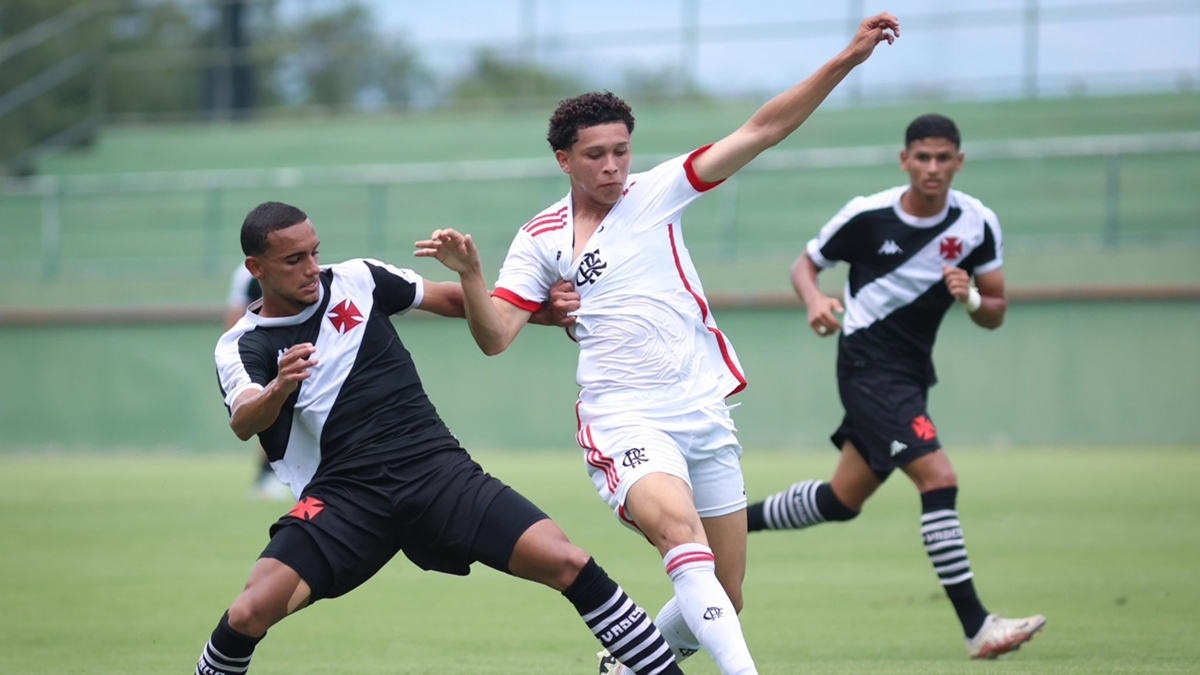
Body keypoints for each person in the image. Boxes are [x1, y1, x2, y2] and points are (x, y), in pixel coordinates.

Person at [414, 14, 900, 675]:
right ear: (563, 159)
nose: (613, 165)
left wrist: (847, 58)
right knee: (679, 534)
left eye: (621, 150)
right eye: (595, 155)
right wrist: (472, 275)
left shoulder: (658, 191)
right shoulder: (540, 238)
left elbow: (764, 129)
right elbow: (496, 335)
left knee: (726, 594)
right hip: (623, 414)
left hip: (700, 406)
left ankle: (625, 664)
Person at [197, 201, 688, 675]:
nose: (311, 267)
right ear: (256, 268)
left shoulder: (359, 279)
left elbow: (457, 302)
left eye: (315, 252)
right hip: (345, 497)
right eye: (293, 259)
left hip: (436, 471)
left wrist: (520, 298)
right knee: (247, 614)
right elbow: (244, 421)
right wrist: (281, 386)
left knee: (568, 561)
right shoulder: (242, 344)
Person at [744, 114, 1046, 659]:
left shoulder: (977, 225)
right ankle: (979, 626)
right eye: (923, 158)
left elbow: (997, 310)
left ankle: (722, 522)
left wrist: (971, 298)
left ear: (959, 161)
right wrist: (815, 300)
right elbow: (804, 266)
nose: (933, 168)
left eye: (944, 158)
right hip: (866, 369)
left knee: (841, 500)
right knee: (939, 478)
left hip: (910, 375)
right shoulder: (867, 215)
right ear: (905, 160)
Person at [224, 264, 291, 501]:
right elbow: (235, 316)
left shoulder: (303, 270)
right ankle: (266, 477)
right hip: (265, 355)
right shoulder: (246, 275)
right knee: (271, 412)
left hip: (295, 347)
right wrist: (240, 362)